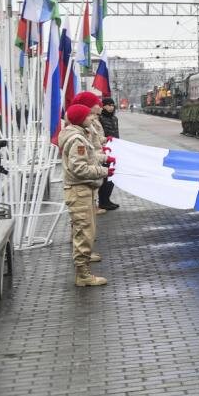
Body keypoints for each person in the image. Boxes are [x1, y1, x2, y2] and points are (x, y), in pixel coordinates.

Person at [60, 103, 112, 287]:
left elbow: (88, 157)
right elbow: (79, 168)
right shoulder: (77, 140)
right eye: (88, 116)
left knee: (85, 230)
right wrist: (104, 172)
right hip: (79, 190)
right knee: (84, 232)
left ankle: (84, 268)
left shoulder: (79, 135)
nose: (92, 118)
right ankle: (83, 275)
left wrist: (105, 159)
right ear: (80, 119)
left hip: (82, 190)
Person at [97, 97, 120, 211]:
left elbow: (117, 134)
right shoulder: (99, 119)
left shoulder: (115, 119)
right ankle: (102, 201)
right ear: (103, 106)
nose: (111, 107)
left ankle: (107, 199)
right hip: (103, 151)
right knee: (105, 177)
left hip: (114, 150)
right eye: (108, 105)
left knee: (112, 176)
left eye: (112, 105)